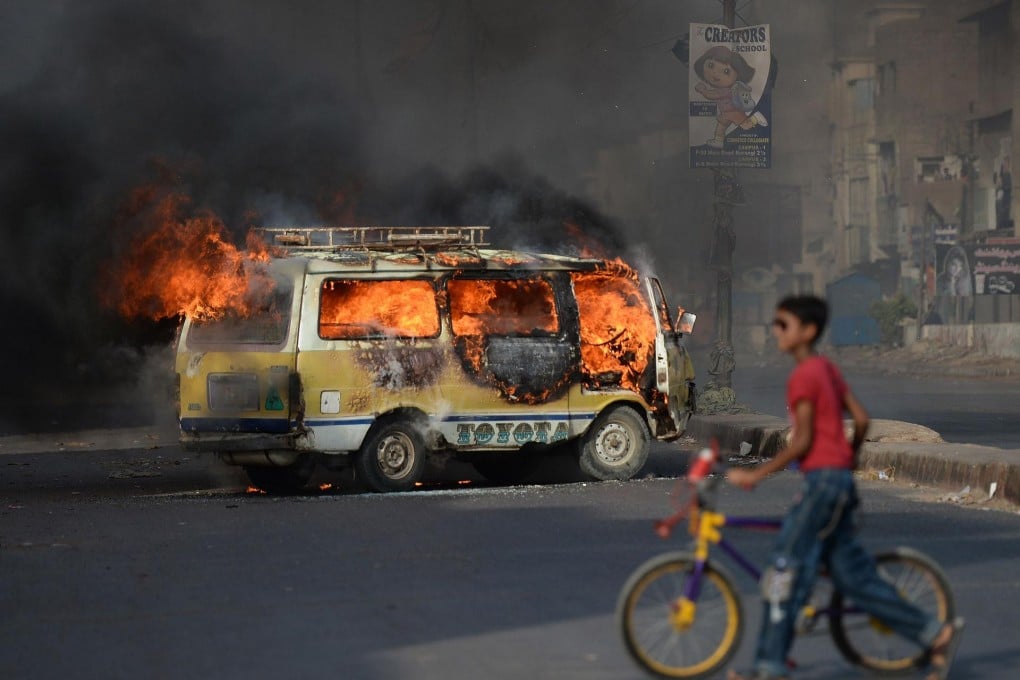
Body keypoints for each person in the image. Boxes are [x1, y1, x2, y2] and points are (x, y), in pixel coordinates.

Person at [725, 295, 964, 680]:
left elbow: (800, 442)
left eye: (783, 325)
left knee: (785, 569)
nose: (776, 332)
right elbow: (862, 419)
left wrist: (756, 474)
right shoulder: (826, 369)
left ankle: (768, 667)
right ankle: (935, 632)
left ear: (808, 331)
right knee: (852, 577)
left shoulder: (803, 376)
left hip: (822, 486)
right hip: (838, 483)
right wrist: (848, 457)